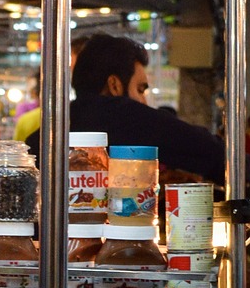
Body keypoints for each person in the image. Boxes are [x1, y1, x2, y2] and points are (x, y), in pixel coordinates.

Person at [27, 33, 225, 188]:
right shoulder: (124, 115)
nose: (144, 102)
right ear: (114, 85)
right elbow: (213, 153)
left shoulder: (49, 131)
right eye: (140, 89)